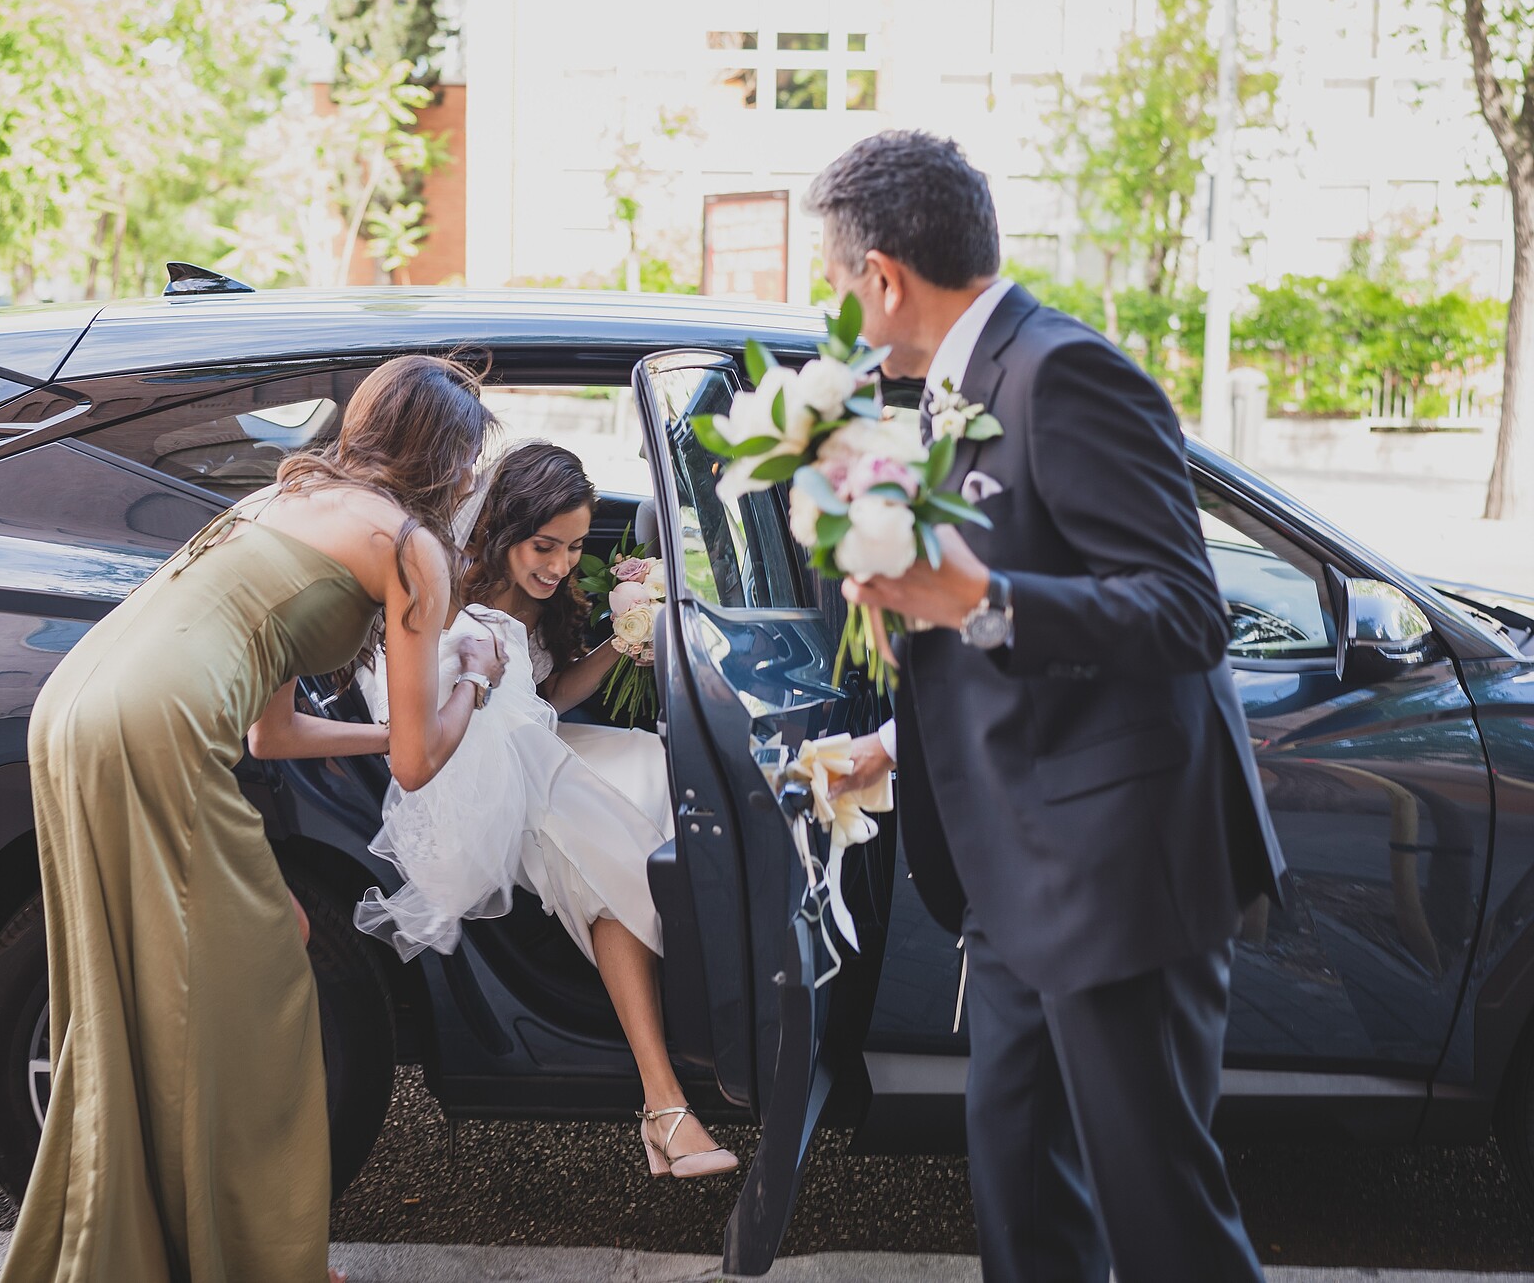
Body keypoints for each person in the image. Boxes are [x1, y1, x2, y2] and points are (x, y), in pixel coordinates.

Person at [811, 131, 1287, 1283]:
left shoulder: (1061, 372)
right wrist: (893, 743)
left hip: (1116, 873)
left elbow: (1184, 613)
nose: (832, 305)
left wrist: (983, 601)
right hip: (1013, 880)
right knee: (1019, 1199)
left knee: (1158, 1215)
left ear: (882, 276)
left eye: (832, 279)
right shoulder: (942, 393)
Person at [0, 355, 508, 1283]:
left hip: (78, 708)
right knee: (269, 991)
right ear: (445, 460)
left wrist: (391, 729)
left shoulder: (287, 493)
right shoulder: (409, 547)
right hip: (156, 730)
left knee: (159, 974)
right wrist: (473, 675)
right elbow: (416, 762)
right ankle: (261, 1260)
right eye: (470, 459)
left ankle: (174, 1241)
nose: (472, 477)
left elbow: (272, 735)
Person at [355, 441, 738, 1179]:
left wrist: (624, 640)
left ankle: (700, 1014)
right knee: (603, 848)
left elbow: (550, 696)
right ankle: (664, 1103)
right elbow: (419, 723)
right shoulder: (444, 595)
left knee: (655, 765)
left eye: (574, 547)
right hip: (486, 783)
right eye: (544, 546)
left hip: (542, 746)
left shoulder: (544, 597)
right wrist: (476, 677)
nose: (560, 565)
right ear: (504, 527)